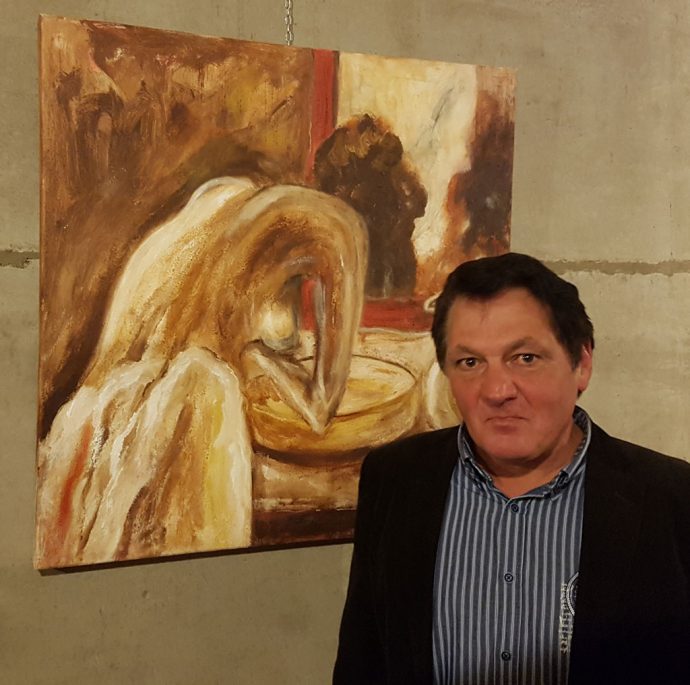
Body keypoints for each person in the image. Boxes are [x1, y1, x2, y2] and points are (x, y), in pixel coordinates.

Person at [333, 252, 690, 685]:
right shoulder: (394, 479)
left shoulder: (671, 497)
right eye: (470, 362)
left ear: (581, 364)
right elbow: (364, 658)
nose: (497, 390)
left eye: (525, 358)